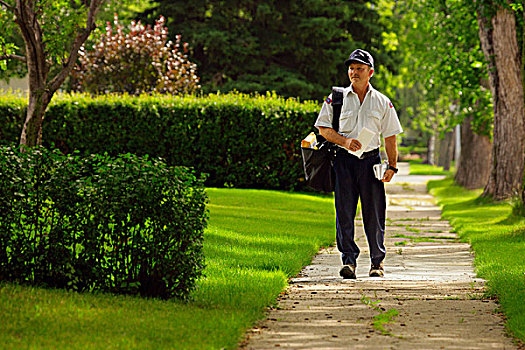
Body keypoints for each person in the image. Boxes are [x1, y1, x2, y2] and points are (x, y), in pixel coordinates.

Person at [314, 49, 403, 279]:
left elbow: (390, 136)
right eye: (351, 68)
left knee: (374, 213)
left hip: (371, 163)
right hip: (343, 161)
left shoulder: (382, 102)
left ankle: (376, 263)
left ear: (370, 72)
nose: (354, 72)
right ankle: (349, 262)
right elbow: (323, 129)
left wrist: (392, 166)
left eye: (359, 69)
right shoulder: (336, 98)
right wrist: (344, 141)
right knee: (344, 213)